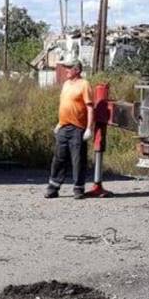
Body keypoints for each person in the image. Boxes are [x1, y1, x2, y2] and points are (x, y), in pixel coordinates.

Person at [45, 59, 95, 199]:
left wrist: (88, 128)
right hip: (63, 127)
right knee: (59, 158)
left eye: (69, 68)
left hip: (77, 129)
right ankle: (53, 188)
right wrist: (59, 123)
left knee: (77, 159)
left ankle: (78, 189)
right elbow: (64, 104)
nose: (66, 70)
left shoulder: (84, 85)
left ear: (77, 70)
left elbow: (90, 108)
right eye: (65, 67)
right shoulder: (66, 84)